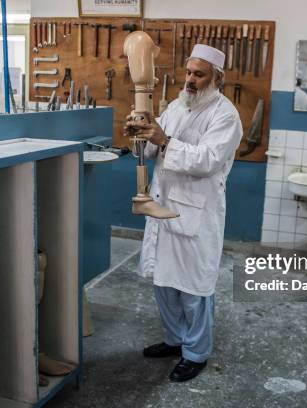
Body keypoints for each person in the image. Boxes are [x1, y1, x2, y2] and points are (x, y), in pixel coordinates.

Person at [124, 44, 243, 382]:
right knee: (164, 281)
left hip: (197, 213)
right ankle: (175, 340)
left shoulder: (225, 115)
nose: (190, 79)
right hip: (164, 205)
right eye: (188, 72)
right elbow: (150, 147)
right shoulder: (177, 106)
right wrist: (137, 135)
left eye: (199, 74)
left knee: (194, 288)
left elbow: (206, 160)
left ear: (216, 78)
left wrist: (163, 140)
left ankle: (195, 353)